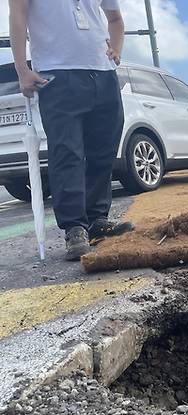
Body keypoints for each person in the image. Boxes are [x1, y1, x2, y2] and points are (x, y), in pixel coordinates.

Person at [9, 0, 133, 262]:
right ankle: (75, 228)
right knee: (67, 152)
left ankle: (98, 219)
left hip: (103, 75)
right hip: (57, 75)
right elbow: (17, 15)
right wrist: (22, 68)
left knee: (103, 151)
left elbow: (115, 19)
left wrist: (117, 50)